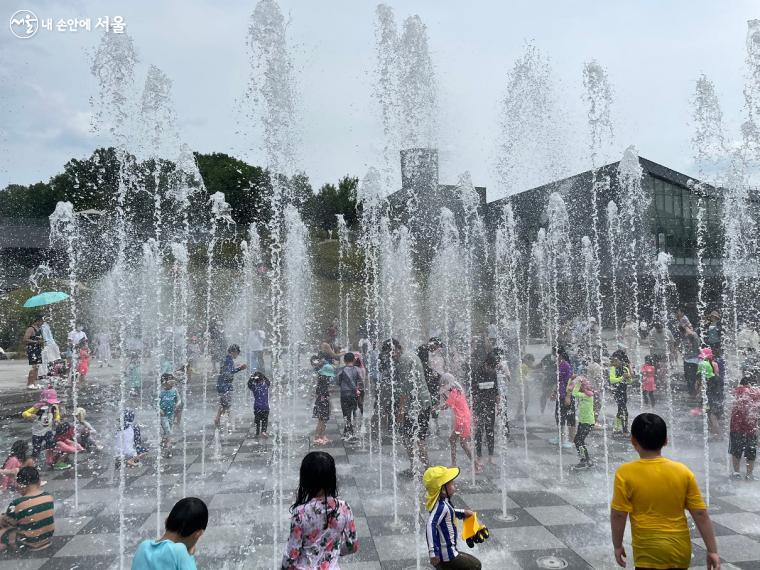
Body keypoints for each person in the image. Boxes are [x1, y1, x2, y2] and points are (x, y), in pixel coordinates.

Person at [610, 413, 720, 569]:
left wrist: (618, 545)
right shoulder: (682, 471)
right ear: (666, 441)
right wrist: (712, 550)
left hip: (647, 551)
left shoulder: (625, 473)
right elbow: (700, 513)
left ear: (633, 441)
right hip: (679, 550)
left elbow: (618, 514)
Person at [282, 451, 358, 569]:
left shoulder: (300, 513)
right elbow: (352, 546)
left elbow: (291, 555)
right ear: (332, 478)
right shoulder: (344, 508)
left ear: (305, 479)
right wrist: (334, 552)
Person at [386, 338, 432, 476]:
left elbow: (405, 389)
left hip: (416, 405)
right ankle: (417, 468)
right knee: (411, 437)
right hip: (422, 403)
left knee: (416, 438)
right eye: (389, 354)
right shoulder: (411, 355)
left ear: (398, 349)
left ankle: (426, 469)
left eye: (392, 352)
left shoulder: (404, 361)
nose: (391, 356)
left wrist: (401, 410)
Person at [423, 466, 480, 569]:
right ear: (443, 489)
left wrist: (463, 513)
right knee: (475, 565)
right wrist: (433, 553)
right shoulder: (441, 506)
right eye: (452, 483)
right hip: (448, 556)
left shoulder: (443, 503)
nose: (455, 485)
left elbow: (450, 512)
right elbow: (430, 524)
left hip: (448, 553)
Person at [132, 497, 208, 570]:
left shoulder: (143, 547)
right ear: (198, 533)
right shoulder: (179, 550)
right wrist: (190, 556)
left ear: (166, 521)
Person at [0, 467, 54, 553]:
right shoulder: (48, 496)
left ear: (21, 484)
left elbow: (7, 523)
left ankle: (6, 545)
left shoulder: (17, 503)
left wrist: (3, 517)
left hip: (29, 542)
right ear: (39, 482)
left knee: (3, 530)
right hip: (46, 539)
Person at [440, 375, 481, 472]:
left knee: (463, 443)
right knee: (453, 440)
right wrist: (443, 395)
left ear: (448, 383)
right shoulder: (456, 391)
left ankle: (476, 466)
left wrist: (436, 408)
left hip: (462, 421)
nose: (444, 386)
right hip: (462, 420)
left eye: (444, 384)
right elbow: (450, 402)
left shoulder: (454, 391)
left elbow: (447, 405)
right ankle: (455, 463)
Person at [22, 388, 66, 470]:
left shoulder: (54, 406)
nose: (49, 403)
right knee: (36, 449)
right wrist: (30, 416)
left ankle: (49, 460)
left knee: (51, 445)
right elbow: (24, 413)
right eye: (48, 402)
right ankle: (32, 464)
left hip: (48, 431)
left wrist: (57, 419)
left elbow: (57, 414)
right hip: (37, 432)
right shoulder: (38, 407)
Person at [729, 374, 760, 480]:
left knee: (736, 450)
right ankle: (749, 474)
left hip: (736, 427)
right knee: (751, 452)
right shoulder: (756, 392)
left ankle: (736, 472)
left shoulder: (737, 390)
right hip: (751, 427)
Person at [472, 353, 499, 466]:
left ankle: (491, 455)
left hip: (490, 403)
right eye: (491, 366)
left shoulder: (493, 371)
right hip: (479, 404)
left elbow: (496, 388)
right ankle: (479, 456)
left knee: (490, 430)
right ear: (487, 363)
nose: (492, 369)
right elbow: (473, 388)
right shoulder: (477, 371)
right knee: (479, 430)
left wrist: (498, 401)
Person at [214, 345, 247, 429]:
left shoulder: (227, 359)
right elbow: (229, 373)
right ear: (233, 352)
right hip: (225, 385)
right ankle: (219, 419)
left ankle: (223, 418)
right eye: (237, 353)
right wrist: (240, 368)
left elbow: (226, 371)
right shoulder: (229, 360)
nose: (237, 355)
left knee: (224, 403)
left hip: (222, 384)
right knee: (226, 404)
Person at [567, 375, 595, 470]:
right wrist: (575, 380)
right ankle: (585, 459)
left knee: (579, 440)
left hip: (588, 422)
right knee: (577, 440)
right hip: (583, 422)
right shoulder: (585, 395)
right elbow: (571, 390)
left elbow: (574, 393)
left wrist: (578, 382)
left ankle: (585, 460)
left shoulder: (588, 395)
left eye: (582, 387)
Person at [553, 348, 576, 448]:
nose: (554, 356)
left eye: (555, 354)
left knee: (570, 417)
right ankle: (560, 437)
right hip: (560, 395)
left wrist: (568, 397)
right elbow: (559, 381)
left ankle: (571, 440)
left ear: (560, 355)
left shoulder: (566, 365)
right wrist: (554, 392)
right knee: (559, 417)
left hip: (567, 395)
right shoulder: (559, 365)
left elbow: (570, 382)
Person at [698, 347, 723, 437]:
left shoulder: (704, 365)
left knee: (710, 415)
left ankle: (718, 435)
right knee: (711, 415)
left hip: (709, 395)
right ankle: (715, 433)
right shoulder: (714, 365)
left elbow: (702, 382)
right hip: (714, 394)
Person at [336, 352, 361, 440]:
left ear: (344, 360)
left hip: (344, 394)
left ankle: (349, 433)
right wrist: (356, 389)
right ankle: (348, 432)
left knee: (346, 414)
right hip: (353, 395)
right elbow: (359, 381)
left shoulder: (341, 370)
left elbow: (338, 382)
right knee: (352, 412)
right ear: (353, 359)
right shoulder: (357, 369)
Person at [609, 353, 632, 437]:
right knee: (624, 411)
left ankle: (616, 428)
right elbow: (612, 380)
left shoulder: (625, 369)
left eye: (617, 360)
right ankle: (625, 430)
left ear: (621, 361)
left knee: (620, 410)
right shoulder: (613, 369)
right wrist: (622, 377)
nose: (616, 361)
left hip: (624, 392)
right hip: (617, 392)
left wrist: (628, 378)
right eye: (615, 360)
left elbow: (629, 382)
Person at [159, 374, 181, 456]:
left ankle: (163, 443)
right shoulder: (161, 392)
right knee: (168, 431)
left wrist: (177, 405)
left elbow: (179, 400)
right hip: (163, 415)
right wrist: (159, 409)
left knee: (166, 432)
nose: (172, 382)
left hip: (171, 414)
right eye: (170, 381)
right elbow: (155, 402)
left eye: (172, 380)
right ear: (164, 382)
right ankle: (169, 450)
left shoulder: (174, 391)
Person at [313, 363, 335, 445]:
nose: (329, 377)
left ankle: (321, 436)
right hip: (322, 403)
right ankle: (317, 437)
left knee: (324, 421)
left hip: (323, 402)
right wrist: (328, 393)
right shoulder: (322, 382)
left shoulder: (323, 381)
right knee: (321, 421)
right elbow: (320, 393)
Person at [679, 325, 701, 397]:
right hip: (687, 360)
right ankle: (692, 392)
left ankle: (694, 393)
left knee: (693, 378)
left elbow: (692, 335)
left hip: (694, 361)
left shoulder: (694, 336)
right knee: (688, 378)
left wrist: (686, 328)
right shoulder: (684, 336)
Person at [23, 315, 44, 390]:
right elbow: (25, 339)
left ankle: (34, 383)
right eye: (41, 321)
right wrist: (36, 341)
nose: (42, 323)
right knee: (34, 366)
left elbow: (39, 340)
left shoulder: (39, 329)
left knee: (37, 367)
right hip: (32, 349)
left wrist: (41, 342)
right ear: (37, 321)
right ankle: (29, 383)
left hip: (38, 349)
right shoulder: (30, 329)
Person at [247, 371, 270, 439]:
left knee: (257, 420)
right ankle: (263, 431)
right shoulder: (265, 385)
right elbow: (268, 381)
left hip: (257, 407)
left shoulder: (254, 387)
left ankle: (257, 432)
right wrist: (262, 375)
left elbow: (249, 384)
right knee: (265, 420)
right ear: (262, 379)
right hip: (265, 407)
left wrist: (252, 377)